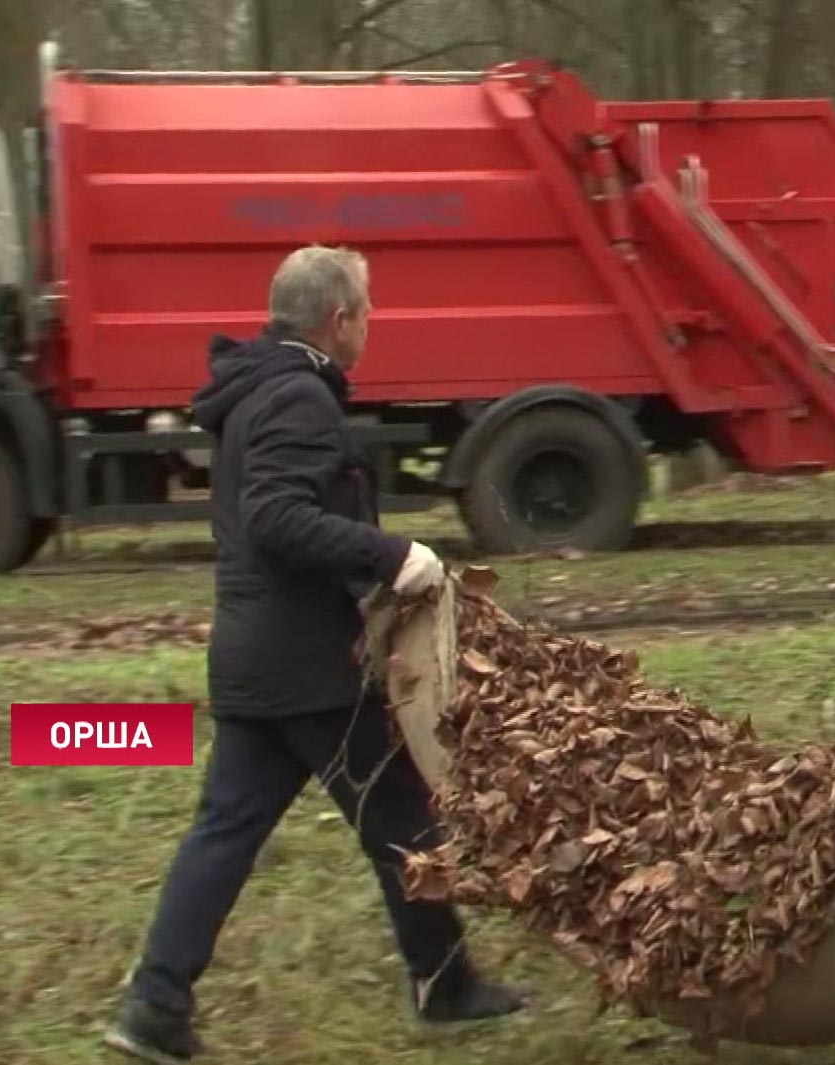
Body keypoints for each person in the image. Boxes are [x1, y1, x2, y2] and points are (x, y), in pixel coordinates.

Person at [105, 247, 525, 1064]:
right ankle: (447, 988)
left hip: (254, 656)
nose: (370, 324)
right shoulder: (298, 397)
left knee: (226, 829)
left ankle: (154, 1003)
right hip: (311, 666)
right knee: (403, 820)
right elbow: (275, 517)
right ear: (339, 321)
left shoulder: (257, 389)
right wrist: (391, 552)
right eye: (366, 310)